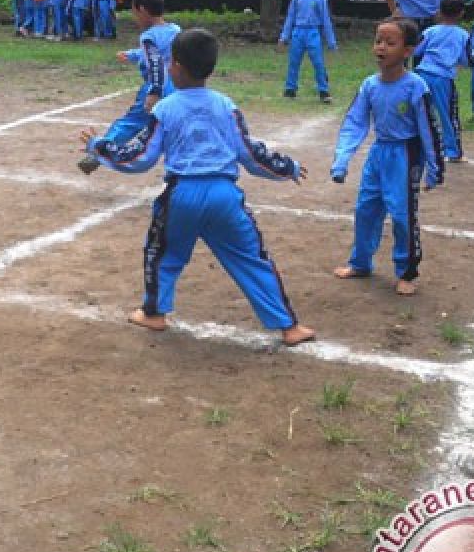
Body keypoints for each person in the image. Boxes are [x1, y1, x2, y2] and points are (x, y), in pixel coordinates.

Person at [80, 28, 315, 347]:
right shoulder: (225, 105)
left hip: (182, 196)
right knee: (252, 259)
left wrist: (99, 146)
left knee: (162, 254)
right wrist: (287, 167)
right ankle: (289, 326)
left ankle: (154, 312)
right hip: (225, 196)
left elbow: (139, 157)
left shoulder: (165, 108)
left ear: (174, 66)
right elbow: (250, 153)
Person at [331, 18, 443, 296]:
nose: (381, 47)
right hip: (378, 153)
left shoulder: (416, 86)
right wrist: (342, 160)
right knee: (365, 210)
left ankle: (406, 271)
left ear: (408, 51)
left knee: (402, 215)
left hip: (404, 156)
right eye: (378, 41)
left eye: (390, 43)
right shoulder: (369, 85)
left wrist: (434, 167)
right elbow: (355, 123)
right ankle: (360, 262)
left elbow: (429, 130)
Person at [78, 0, 180, 173]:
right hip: (178, 86)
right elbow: (159, 53)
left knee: (130, 122)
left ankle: (99, 152)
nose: (135, 18)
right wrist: (134, 54)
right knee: (175, 126)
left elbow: (155, 61)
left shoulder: (148, 36)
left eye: (135, 12)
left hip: (157, 86)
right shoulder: (175, 30)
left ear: (142, 10)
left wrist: (155, 91)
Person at [413, 0, 470, 162]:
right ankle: (452, 151)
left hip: (421, 74)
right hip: (442, 78)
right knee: (447, 114)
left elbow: (416, 50)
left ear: (440, 10)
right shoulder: (463, 35)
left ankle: (415, 145)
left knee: (420, 111)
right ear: (461, 13)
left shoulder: (430, 31)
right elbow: (467, 59)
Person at [279, 0, 337, 103]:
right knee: (294, 62)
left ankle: (323, 90)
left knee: (318, 62)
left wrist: (331, 41)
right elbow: (290, 17)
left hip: (313, 32)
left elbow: (325, 19)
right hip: (298, 32)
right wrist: (284, 37)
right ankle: (290, 89)